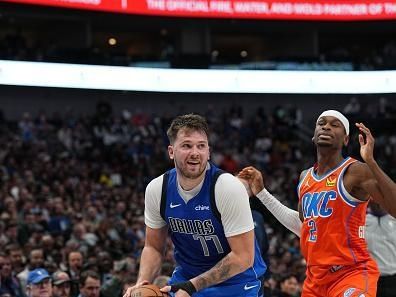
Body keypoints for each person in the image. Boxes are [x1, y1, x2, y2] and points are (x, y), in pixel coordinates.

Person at [238, 110, 396, 297]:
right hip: (315, 280)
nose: (326, 126)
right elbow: (302, 226)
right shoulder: (305, 177)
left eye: (334, 124)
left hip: (350, 273)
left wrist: (370, 161)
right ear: (313, 136)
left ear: (345, 139)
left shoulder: (356, 171)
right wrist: (262, 194)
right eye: (321, 123)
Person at [123, 114, 266, 297]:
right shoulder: (157, 189)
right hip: (187, 278)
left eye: (201, 146)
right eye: (186, 145)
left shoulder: (227, 187)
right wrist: (141, 283)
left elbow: (243, 257)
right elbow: (153, 247)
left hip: (238, 282)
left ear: (209, 152)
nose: (195, 153)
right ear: (171, 151)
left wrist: (192, 287)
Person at [365, 202, 396, 297]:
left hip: (393, 279)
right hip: (370, 279)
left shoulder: (394, 219)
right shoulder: (361, 220)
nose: (379, 203)